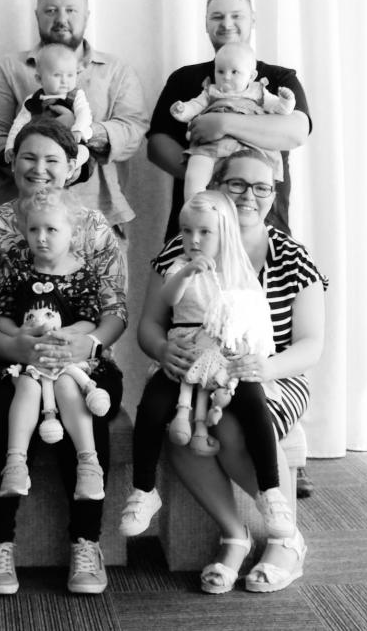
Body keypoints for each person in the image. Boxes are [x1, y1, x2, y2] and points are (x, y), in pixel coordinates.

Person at [135, 149, 326, 595]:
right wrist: (163, 350)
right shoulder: (183, 248)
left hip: (273, 373)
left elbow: (311, 344)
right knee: (178, 426)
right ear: (217, 187)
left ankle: (285, 540)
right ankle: (234, 535)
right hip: (195, 369)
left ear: (273, 194)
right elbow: (149, 326)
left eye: (261, 187)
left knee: (233, 426)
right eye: (236, 184)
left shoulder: (290, 255)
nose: (248, 196)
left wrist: (264, 367)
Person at [0, 117, 128, 596]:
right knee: (2, 408)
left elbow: (115, 311)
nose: (39, 168)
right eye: (28, 157)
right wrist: (16, 346)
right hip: (6, 363)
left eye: (52, 159)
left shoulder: (94, 226)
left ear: (72, 166)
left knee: (90, 408)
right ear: (12, 161)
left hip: (82, 363)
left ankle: (86, 543)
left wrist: (85, 344)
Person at [120, 190, 294, 541]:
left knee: (254, 405)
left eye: (204, 232)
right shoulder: (178, 266)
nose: (193, 240)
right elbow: (169, 297)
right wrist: (186, 272)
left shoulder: (240, 273)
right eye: (186, 231)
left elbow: (257, 320)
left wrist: (248, 350)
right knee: (152, 406)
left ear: (224, 233)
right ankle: (144, 490)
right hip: (186, 355)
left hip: (226, 360)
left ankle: (270, 490)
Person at [0, 0, 148, 234]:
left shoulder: (117, 71)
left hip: (99, 217)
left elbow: (133, 130)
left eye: (71, 10)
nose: (61, 18)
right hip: (22, 219)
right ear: (37, 15)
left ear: (86, 16)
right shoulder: (9, 68)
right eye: (51, 10)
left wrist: (81, 131)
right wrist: (35, 165)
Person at [147, 0, 312, 237]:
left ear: (252, 20)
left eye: (236, 16)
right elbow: (157, 145)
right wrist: (212, 176)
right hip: (196, 228)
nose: (226, 24)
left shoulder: (278, 78)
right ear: (205, 23)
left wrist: (222, 124)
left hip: (266, 224)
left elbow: (296, 131)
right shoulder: (184, 78)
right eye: (217, 16)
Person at [0, 188, 111, 502]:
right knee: (26, 387)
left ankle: (89, 464)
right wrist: (20, 333)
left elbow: (90, 320)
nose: (41, 237)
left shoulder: (82, 274)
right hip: (28, 356)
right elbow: (2, 318)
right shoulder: (17, 271)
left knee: (68, 387)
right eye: (34, 229)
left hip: (65, 357)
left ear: (72, 231)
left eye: (51, 229)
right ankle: (15, 463)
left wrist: (65, 334)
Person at [169, 42, 296, 203]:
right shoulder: (210, 91)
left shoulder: (259, 92)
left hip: (249, 147)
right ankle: (195, 206)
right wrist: (182, 110)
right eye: (220, 71)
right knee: (195, 170)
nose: (226, 77)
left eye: (234, 72)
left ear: (251, 76)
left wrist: (286, 102)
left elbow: (279, 109)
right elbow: (195, 106)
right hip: (212, 145)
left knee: (247, 181)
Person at [2, 44, 93, 177]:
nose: (64, 81)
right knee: (27, 154)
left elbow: (84, 114)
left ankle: (68, 170)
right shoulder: (33, 100)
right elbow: (18, 124)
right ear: (39, 79)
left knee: (84, 151)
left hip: (70, 142)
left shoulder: (76, 95)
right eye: (57, 75)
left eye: (70, 75)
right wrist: (10, 145)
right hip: (41, 147)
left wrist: (78, 129)